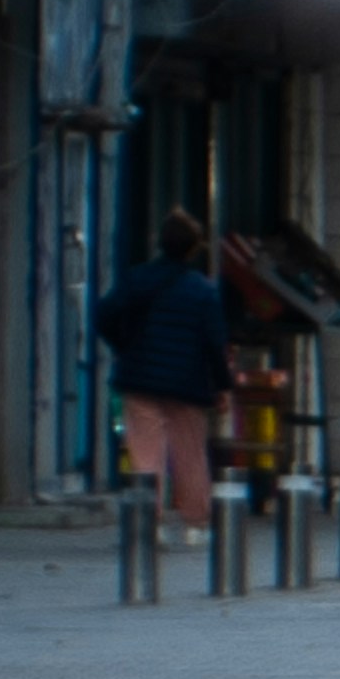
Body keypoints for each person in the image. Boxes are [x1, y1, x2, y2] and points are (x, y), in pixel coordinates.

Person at [98, 208, 231, 528]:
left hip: (140, 378)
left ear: (160, 242)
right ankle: (196, 522)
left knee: (146, 453)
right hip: (187, 384)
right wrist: (222, 386)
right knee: (190, 455)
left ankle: (149, 522)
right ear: (193, 248)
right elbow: (215, 342)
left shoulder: (136, 279)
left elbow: (104, 314)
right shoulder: (203, 290)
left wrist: (123, 346)